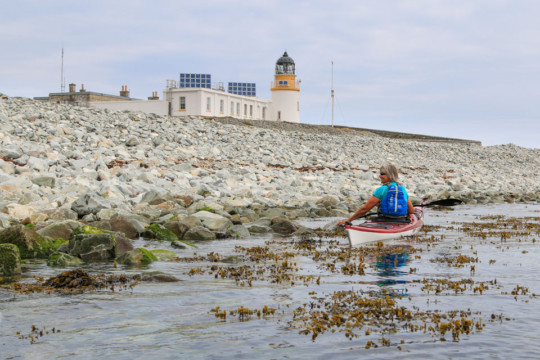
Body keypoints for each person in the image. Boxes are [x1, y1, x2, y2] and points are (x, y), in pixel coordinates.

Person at [337, 164, 415, 226]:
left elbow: (365, 209)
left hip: (384, 221)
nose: (379, 176)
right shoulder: (402, 189)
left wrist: (349, 220)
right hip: (400, 221)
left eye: (382, 174)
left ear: (389, 175)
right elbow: (411, 211)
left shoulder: (381, 190)